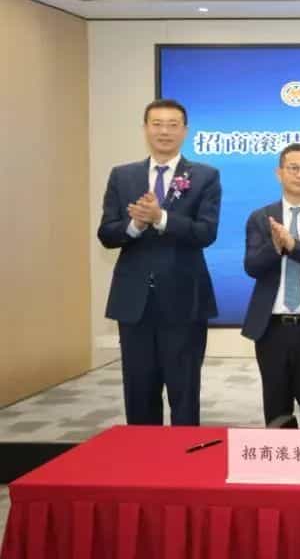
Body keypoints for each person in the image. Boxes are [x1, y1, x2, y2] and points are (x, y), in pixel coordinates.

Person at [97, 98, 221, 426]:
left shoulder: (205, 176)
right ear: (145, 129)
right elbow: (107, 233)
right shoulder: (122, 176)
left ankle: (183, 456)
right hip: (134, 301)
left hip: (184, 300)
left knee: (184, 393)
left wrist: (161, 217)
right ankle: (141, 455)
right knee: (139, 391)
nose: (164, 131)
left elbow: (206, 232)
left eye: (172, 125)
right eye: (157, 124)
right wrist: (135, 225)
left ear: (185, 131)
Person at [241, 143, 300, 429]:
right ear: (279, 173)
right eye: (293, 168)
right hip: (271, 330)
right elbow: (252, 266)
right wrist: (276, 246)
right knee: (276, 410)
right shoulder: (261, 217)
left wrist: (294, 246)